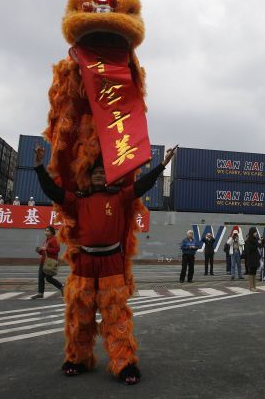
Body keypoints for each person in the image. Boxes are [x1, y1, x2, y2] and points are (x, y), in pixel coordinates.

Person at [34, 145, 175, 384]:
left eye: (103, 172)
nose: (99, 175)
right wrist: (38, 166)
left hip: (111, 263)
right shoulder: (78, 200)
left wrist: (162, 165)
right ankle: (78, 358)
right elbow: (52, 191)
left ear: (109, 176)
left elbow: (142, 185)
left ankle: (124, 364)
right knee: (81, 315)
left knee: (116, 316)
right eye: (95, 172)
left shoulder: (120, 197)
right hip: (85, 264)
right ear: (88, 177)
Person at [31, 226, 64, 299]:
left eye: (48, 231)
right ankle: (40, 293)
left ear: (52, 232)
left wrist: (46, 248)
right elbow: (44, 252)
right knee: (41, 277)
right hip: (44, 261)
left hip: (49, 262)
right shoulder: (47, 240)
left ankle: (62, 287)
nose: (46, 232)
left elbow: (56, 250)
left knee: (48, 278)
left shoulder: (54, 239)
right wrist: (39, 250)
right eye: (45, 230)